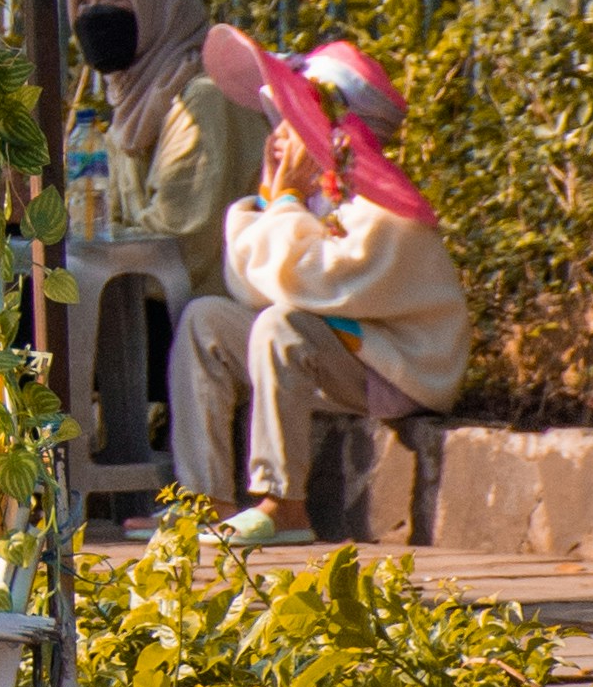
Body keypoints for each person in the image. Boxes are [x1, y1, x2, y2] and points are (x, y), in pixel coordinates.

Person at [167, 31, 470, 536]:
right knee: (206, 319)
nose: (279, 135)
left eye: (292, 120)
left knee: (282, 327)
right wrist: (273, 199)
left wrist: (283, 204)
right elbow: (249, 284)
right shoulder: (314, 197)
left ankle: (284, 504)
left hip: (394, 370)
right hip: (344, 353)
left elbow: (306, 284)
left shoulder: (385, 210)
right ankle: (207, 499)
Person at [62, 0, 263, 469]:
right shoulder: (136, 102)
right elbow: (113, 221)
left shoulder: (201, 99)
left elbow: (179, 242)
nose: (94, 15)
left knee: (33, 319)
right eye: (82, 3)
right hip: (144, 306)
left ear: (157, 6)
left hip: (201, 312)